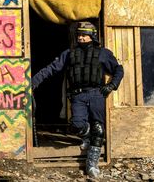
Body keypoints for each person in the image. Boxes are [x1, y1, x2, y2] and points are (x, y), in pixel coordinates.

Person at [32, 21, 124, 178]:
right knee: (76, 125)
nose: (80, 37)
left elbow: (118, 69)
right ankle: (87, 136)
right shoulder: (69, 53)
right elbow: (52, 69)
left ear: (91, 36)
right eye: (79, 35)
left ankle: (92, 165)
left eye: (84, 35)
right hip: (78, 95)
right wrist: (33, 82)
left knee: (99, 129)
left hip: (96, 94)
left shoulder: (103, 53)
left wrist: (111, 86)